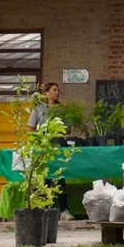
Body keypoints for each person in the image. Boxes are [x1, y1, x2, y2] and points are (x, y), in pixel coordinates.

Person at [25, 82, 71, 218]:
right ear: (47, 93)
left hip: (58, 147)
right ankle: (43, 210)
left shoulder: (61, 110)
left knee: (60, 178)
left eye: (58, 90)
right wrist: (39, 138)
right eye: (54, 90)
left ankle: (63, 210)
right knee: (44, 178)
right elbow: (30, 129)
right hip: (43, 149)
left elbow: (68, 129)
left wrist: (60, 128)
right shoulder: (38, 109)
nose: (57, 92)